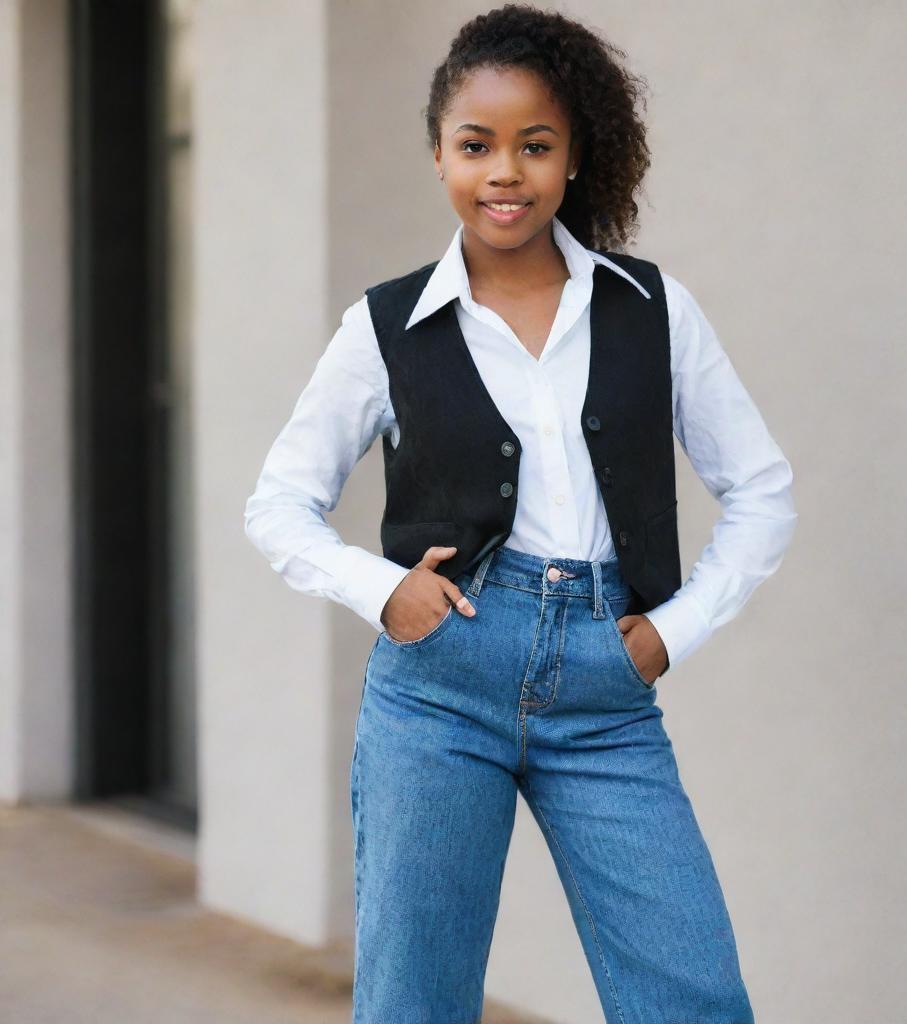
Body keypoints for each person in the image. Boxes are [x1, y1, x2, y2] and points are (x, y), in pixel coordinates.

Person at [244, 4, 797, 1021]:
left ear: (575, 155)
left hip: (604, 686)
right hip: (436, 688)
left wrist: (668, 635)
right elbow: (278, 503)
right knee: (415, 1001)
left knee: (693, 996)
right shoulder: (384, 326)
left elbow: (762, 488)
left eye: (534, 145)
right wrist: (383, 593)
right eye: (476, 145)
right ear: (440, 155)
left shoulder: (651, 308)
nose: (505, 171)